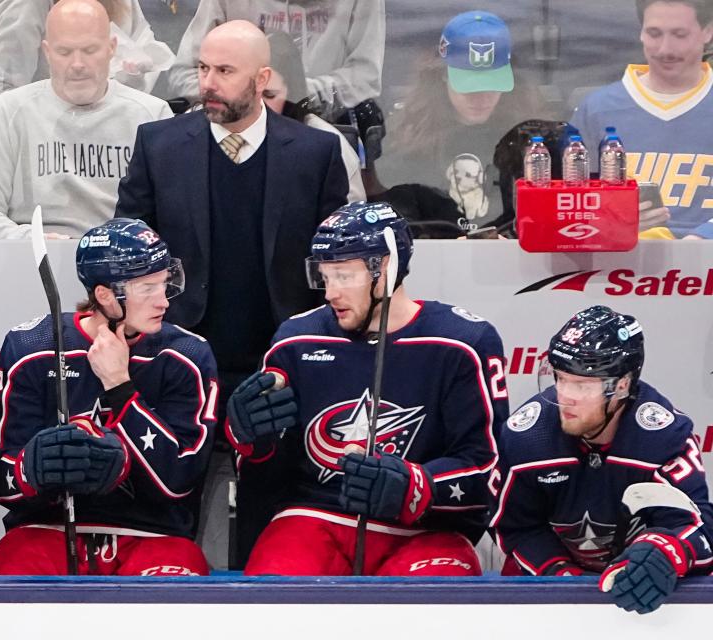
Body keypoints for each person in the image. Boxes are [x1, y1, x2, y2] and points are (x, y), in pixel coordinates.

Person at [226, 202, 509, 576]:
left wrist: (417, 486)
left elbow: (490, 469)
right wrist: (249, 440)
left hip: (426, 531)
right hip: (314, 520)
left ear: (386, 268)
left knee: (434, 604)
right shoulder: (295, 341)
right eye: (324, 277)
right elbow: (264, 475)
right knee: (274, 599)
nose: (330, 293)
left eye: (344, 276)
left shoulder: (464, 343)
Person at [116, 19, 347, 409]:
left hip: (283, 357)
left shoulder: (316, 153)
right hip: (179, 353)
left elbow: (335, 260)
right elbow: (129, 246)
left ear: (262, 79)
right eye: (203, 68)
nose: (208, 83)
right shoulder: (159, 145)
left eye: (224, 71)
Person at [0, 218, 218, 575]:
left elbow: (178, 481)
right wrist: (34, 469)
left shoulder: (187, 355)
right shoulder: (32, 347)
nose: (164, 301)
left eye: (165, 283)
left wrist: (120, 388)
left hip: (154, 535)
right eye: (148, 288)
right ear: (105, 294)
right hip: (47, 531)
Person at [491, 305, 713, 614]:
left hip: (636, 586)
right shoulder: (527, 438)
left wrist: (663, 552)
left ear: (621, 386)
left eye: (581, 385)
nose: (564, 395)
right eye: (560, 378)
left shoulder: (661, 438)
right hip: (556, 579)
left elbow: (697, 526)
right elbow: (515, 527)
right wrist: (564, 579)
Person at [0, 0, 172, 240]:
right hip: (30, 263)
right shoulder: (5, 114)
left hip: (126, 266)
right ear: (47, 52)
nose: (77, 64)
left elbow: (176, 216)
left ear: (112, 48)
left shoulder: (153, 117)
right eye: (64, 52)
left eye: (90, 50)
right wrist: (31, 241)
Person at [373, 10, 547, 238]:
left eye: (491, 85)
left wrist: (516, 239)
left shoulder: (530, 141)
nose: (481, 97)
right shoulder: (408, 142)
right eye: (469, 87)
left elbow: (547, 217)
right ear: (442, 76)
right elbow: (395, 223)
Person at [571, 0, 713, 239]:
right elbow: (567, 205)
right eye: (654, 33)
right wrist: (611, 223)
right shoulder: (596, 109)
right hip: (616, 268)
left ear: (707, 32)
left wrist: (702, 237)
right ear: (641, 32)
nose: (665, 49)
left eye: (680, 35)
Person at [167, 0, 384, 120]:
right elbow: (184, 72)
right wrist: (239, 97)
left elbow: (365, 77)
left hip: (323, 121)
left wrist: (296, 93)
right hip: (231, 123)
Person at [0, 0, 174, 101]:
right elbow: (0, 89)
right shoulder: (27, 4)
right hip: (45, 131)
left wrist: (133, 77)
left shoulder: (122, 3)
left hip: (107, 123)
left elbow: (143, 49)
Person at [263, 31, 365, 202]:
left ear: (292, 93)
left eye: (269, 95)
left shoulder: (329, 144)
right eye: (251, 94)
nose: (259, 105)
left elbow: (349, 217)